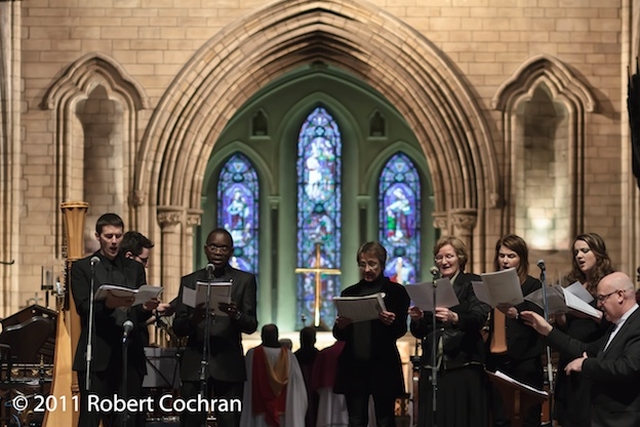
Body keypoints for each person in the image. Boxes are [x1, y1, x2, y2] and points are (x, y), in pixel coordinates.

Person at [71, 213, 159, 427]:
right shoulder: (84, 267)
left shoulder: (135, 268)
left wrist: (146, 308)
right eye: (109, 236)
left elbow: (137, 314)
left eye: (118, 236)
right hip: (98, 354)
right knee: (90, 418)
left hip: (129, 356)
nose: (114, 241)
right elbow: (83, 308)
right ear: (98, 236)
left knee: (127, 419)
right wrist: (107, 304)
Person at [521, 272, 640, 427]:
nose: (598, 304)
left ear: (620, 295)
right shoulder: (617, 326)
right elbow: (583, 349)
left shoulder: (637, 324)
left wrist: (585, 365)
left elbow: (628, 367)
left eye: (602, 298)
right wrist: (547, 330)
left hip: (623, 420)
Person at [173, 228, 258, 427]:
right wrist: (193, 319)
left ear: (231, 251)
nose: (218, 252)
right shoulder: (190, 281)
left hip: (228, 365)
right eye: (214, 247)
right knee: (191, 421)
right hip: (195, 364)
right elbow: (178, 326)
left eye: (223, 248)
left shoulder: (244, 281)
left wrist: (235, 314)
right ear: (205, 249)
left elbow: (251, 325)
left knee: (229, 421)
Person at [409, 236, 490, 427]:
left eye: (449, 256)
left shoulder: (472, 282)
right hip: (433, 365)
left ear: (460, 257)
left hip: (463, 364)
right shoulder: (434, 287)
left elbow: (478, 317)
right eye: (439, 257)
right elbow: (421, 331)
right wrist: (418, 319)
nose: (443, 261)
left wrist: (455, 317)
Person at [333, 241, 410, 427]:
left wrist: (390, 322)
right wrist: (341, 326)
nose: (367, 269)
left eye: (372, 264)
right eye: (362, 264)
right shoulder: (350, 292)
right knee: (356, 420)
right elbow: (339, 335)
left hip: (382, 366)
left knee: (385, 419)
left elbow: (400, 329)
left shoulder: (396, 292)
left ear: (382, 264)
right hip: (354, 367)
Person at [552, 233, 613, 427]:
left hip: (592, 354)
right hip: (569, 353)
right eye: (576, 251)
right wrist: (560, 316)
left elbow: (616, 323)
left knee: (586, 415)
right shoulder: (574, 285)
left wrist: (590, 314)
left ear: (598, 253)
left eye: (585, 251)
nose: (579, 255)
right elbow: (568, 326)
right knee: (567, 416)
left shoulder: (609, 283)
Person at [485, 234, 544, 427]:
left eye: (511, 256)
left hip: (525, 360)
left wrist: (516, 314)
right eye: (502, 256)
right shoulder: (492, 283)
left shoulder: (533, 285)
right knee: (500, 417)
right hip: (497, 359)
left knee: (527, 417)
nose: (505, 260)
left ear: (521, 259)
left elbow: (538, 320)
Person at [240, 324, 308, 427]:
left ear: (262, 336)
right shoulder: (289, 356)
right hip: (283, 410)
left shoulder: (252, 354)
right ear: (277, 336)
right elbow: (298, 388)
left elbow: (246, 384)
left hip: (259, 410)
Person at [310, 340, 348, 427]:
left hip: (328, 393)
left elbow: (315, 380)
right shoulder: (358, 353)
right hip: (351, 392)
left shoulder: (324, 354)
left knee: (327, 418)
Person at [295, 327, 320, 427]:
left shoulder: (295, 356)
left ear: (300, 340)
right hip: (315, 390)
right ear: (314, 340)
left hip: (299, 391)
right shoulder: (319, 355)